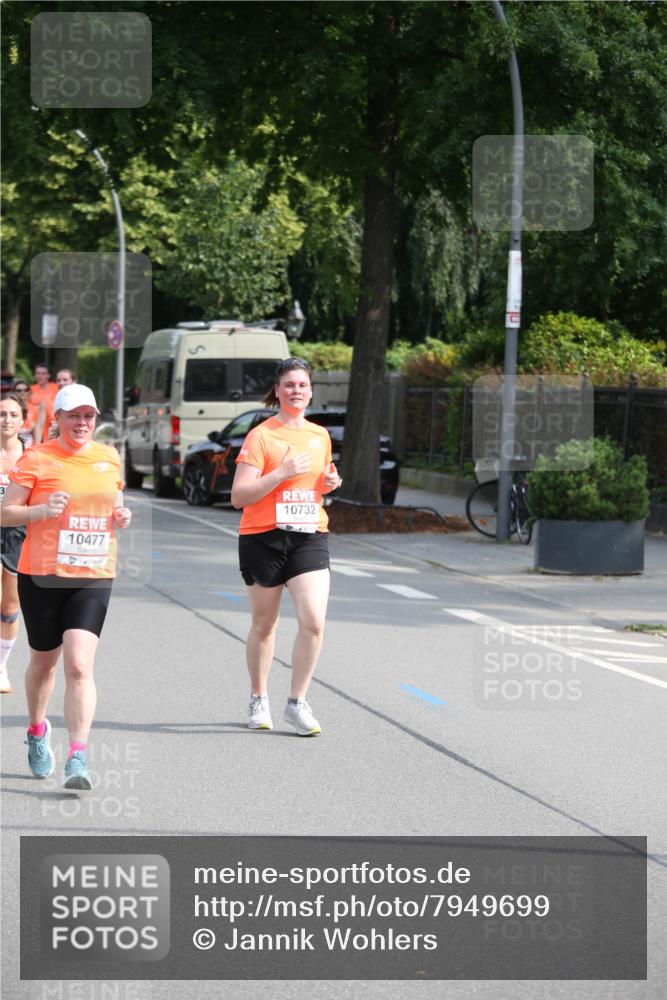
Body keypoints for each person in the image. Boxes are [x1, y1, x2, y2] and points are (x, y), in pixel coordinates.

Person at [2, 384, 132, 789]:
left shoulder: (108, 457)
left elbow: (113, 503)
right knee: (44, 664)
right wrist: (42, 510)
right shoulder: (37, 458)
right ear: (56, 418)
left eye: (89, 416)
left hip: (93, 572)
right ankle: (38, 731)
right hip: (42, 573)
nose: (82, 423)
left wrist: (121, 514)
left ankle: (78, 757)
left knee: (79, 664)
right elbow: (6, 513)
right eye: (74, 415)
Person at [231, 358, 341, 736]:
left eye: (303, 385)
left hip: (309, 534)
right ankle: (258, 697)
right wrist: (281, 473)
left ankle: (297, 702)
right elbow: (239, 496)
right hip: (264, 535)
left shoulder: (319, 436)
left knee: (313, 621)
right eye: (289, 385)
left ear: (311, 391)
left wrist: (328, 483)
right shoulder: (262, 436)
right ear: (277, 392)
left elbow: (318, 484)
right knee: (265, 624)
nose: (297, 391)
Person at [0, 393, 28, 693]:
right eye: (1, 414)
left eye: (12, 414)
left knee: (8, 607)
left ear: (22, 420)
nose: (6, 420)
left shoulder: (31, 456)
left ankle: (1, 666)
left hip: (18, 534)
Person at [28, 363, 58, 444]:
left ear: (48, 375)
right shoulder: (31, 389)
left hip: (52, 424)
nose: (40, 376)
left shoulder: (55, 387)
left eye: (43, 373)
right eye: (38, 373)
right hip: (34, 426)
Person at [12, 381, 34, 448]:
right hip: (13, 445)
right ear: (14, 392)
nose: (23, 392)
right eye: (19, 390)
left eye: (26, 390)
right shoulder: (9, 408)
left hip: (32, 447)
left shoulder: (36, 409)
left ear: (29, 392)